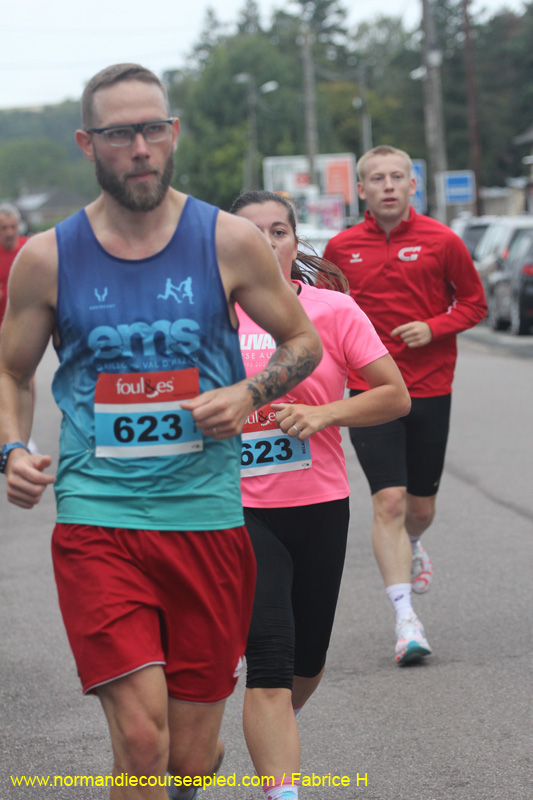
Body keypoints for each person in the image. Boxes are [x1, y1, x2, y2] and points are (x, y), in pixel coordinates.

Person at [0, 64, 323, 800]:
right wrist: (12, 447)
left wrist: (249, 392)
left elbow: (302, 342)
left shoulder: (229, 241)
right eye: (119, 133)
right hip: (98, 516)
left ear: (173, 133)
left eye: (152, 129)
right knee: (141, 742)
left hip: (206, 517)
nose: (140, 147)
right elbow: (11, 373)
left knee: (189, 756)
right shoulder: (47, 257)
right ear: (88, 143)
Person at [230, 190, 411, 800]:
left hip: (319, 504)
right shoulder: (207, 318)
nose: (267, 243)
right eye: (252, 233)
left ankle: (276, 726)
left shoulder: (333, 310)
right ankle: (281, 786)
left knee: (307, 663)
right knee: (271, 660)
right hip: (237, 509)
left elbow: (394, 395)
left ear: (294, 240)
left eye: (279, 231)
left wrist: (325, 414)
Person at [323, 145, 487, 665]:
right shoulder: (341, 247)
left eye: (398, 177)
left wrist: (434, 327)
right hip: (370, 389)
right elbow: (324, 310)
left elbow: (475, 302)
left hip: (430, 386)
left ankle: (413, 542)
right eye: (377, 178)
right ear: (362, 190)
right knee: (388, 502)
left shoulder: (443, 240)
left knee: (419, 508)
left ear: (413, 185)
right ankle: (405, 620)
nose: (388, 185)